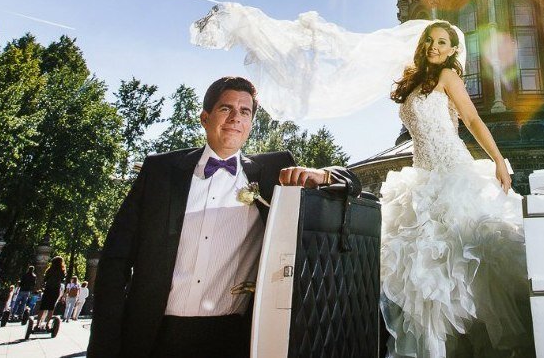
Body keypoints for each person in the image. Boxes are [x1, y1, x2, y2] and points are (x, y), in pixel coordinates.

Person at [88, 75, 360, 358]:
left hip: (234, 338)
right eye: (225, 109)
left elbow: (353, 182)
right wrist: (104, 345)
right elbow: (115, 260)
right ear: (205, 117)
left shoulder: (273, 172)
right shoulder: (160, 170)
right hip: (154, 334)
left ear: (251, 124)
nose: (235, 118)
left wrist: (322, 175)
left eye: (245, 112)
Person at [380, 22, 532, 358]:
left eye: (442, 43)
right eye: (430, 41)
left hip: (453, 170)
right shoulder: (413, 79)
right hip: (422, 177)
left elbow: (473, 119)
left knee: (467, 258)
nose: (435, 47)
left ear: (452, 51)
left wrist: (497, 160)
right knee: (427, 272)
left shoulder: (448, 77)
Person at [35, 257, 65, 328]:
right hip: (55, 289)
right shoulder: (62, 271)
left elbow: (45, 279)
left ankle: (37, 324)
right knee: (51, 307)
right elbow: (62, 279)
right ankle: (47, 324)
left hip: (48, 289)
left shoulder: (49, 270)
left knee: (43, 306)